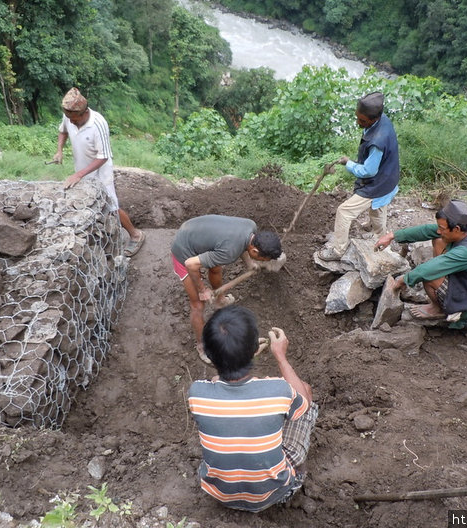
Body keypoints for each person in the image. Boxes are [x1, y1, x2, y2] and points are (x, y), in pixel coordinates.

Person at [188, 305, 318, 512]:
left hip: (219, 493)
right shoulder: (279, 390)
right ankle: (297, 477)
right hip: (275, 493)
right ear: (255, 350)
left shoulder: (196, 392)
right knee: (306, 398)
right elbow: (303, 399)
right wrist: (280, 356)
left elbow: (216, 380)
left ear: (209, 355)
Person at [171, 215, 282, 363]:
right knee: (198, 305)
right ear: (255, 250)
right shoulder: (229, 251)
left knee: (216, 268)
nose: (262, 262)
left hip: (199, 233)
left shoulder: (251, 226)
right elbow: (191, 264)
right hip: (184, 250)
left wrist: (249, 262)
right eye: (263, 259)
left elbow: (243, 246)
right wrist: (202, 289)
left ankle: (220, 300)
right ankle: (202, 346)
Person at [53, 87, 145, 257]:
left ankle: (135, 235)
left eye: (73, 119)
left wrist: (79, 175)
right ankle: (102, 238)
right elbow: (63, 130)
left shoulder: (98, 124)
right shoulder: (69, 116)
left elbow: (103, 156)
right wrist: (59, 150)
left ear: (83, 113)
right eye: (69, 118)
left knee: (111, 206)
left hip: (101, 171)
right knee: (88, 204)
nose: (70, 122)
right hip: (81, 169)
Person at [375, 199, 467, 322]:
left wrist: (403, 280)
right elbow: (428, 230)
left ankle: (440, 309)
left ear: (456, 229)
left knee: (429, 276)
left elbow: (427, 270)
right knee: (439, 239)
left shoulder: (466, 252)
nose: (439, 230)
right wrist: (392, 236)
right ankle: (443, 289)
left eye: (442, 228)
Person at [318, 91, 400, 261]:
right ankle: (378, 233)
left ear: (374, 118)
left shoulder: (378, 141)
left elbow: (369, 171)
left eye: (362, 121)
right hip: (389, 176)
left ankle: (338, 250)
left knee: (344, 211)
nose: (358, 122)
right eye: (357, 117)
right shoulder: (383, 120)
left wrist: (349, 163)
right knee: (378, 207)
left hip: (377, 183)